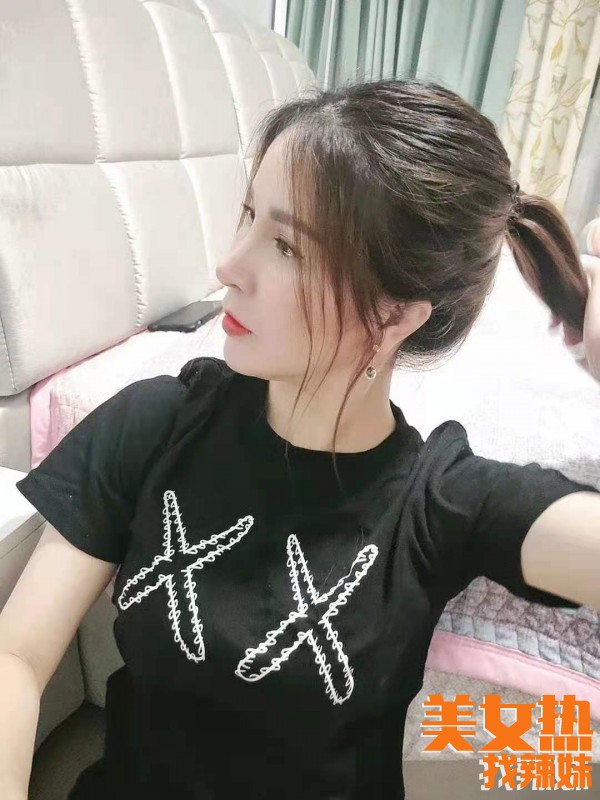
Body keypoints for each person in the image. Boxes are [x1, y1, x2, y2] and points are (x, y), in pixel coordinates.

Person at [3, 78, 600, 800]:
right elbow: (16, 656)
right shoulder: (156, 422)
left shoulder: (440, 502)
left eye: (286, 245)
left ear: (392, 316)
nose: (229, 266)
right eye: (249, 215)